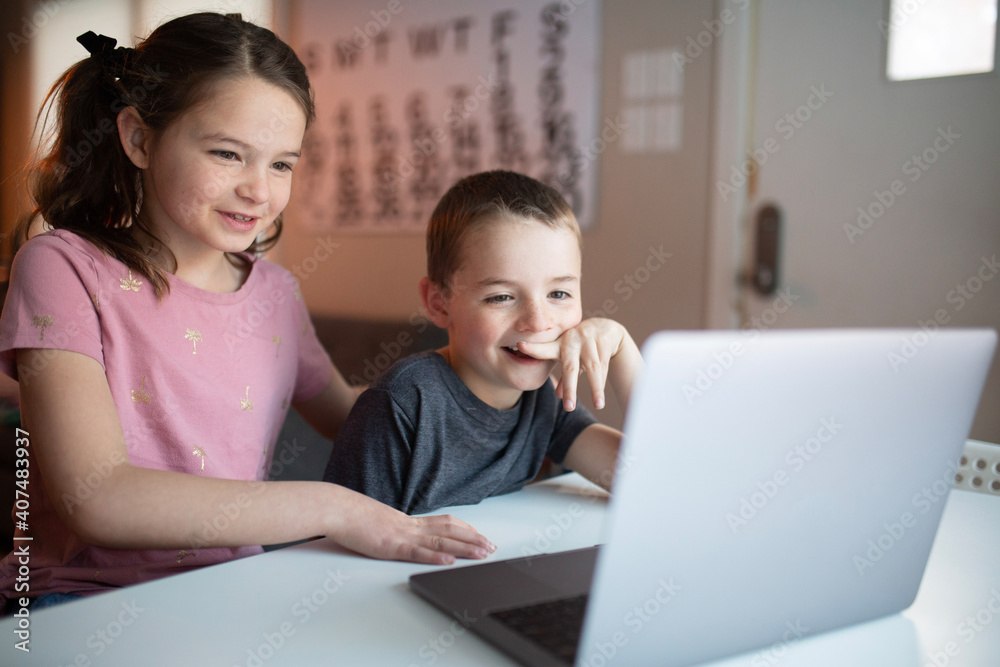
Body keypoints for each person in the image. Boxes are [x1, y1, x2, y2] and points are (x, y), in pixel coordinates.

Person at [0, 13, 494, 613]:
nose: (259, 190)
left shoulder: (276, 293)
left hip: (233, 592)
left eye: (282, 163)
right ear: (139, 139)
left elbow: (364, 418)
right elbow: (95, 496)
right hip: (76, 603)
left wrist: (497, 368)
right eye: (229, 154)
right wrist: (335, 508)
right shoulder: (61, 267)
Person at [324, 170, 644, 514]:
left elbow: (648, 483)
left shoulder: (544, 404)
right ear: (438, 302)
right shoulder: (403, 403)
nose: (538, 322)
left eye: (559, 293)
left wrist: (623, 349)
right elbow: (338, 535)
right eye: (501, 297)